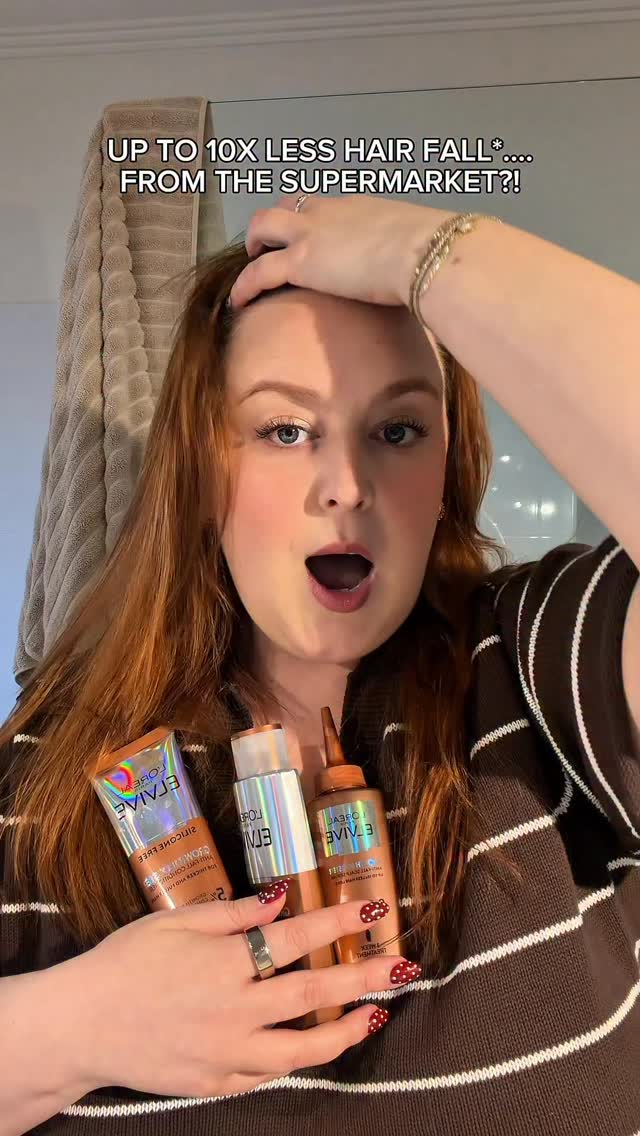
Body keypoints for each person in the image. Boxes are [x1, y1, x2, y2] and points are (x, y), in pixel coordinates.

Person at [0, 192, 639, 1136]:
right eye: (284, 430)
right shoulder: (57, 770)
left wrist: (427, 251)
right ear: (202, 472)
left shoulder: (543, 669)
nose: (346, 486)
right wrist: (64, 1030)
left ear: (448, 473)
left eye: (398, 430)